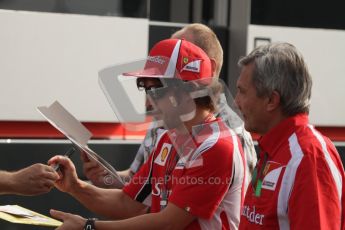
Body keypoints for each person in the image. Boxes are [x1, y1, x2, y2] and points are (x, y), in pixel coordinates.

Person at [49, 38, 247, 229]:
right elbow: (127, 202)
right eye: (144, 88)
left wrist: (88, 226)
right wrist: (75, 186)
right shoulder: (167, 138)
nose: (147, 103)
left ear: (191, 91)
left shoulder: (217, 146)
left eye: (156, 90)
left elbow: (168, 223)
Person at [82, 23, 257, 190]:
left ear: (207, 67)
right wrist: (103, 177)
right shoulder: (165, 118)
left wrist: (89, 219)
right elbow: (139, 182)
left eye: (181, 54)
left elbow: (168, 217)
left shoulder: (231, 133)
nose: (149, 102)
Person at [235, 42, 345, 229]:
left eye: (242, 92)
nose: (237, 102)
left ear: (271, 100)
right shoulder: (273, 148)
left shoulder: (308, 157)